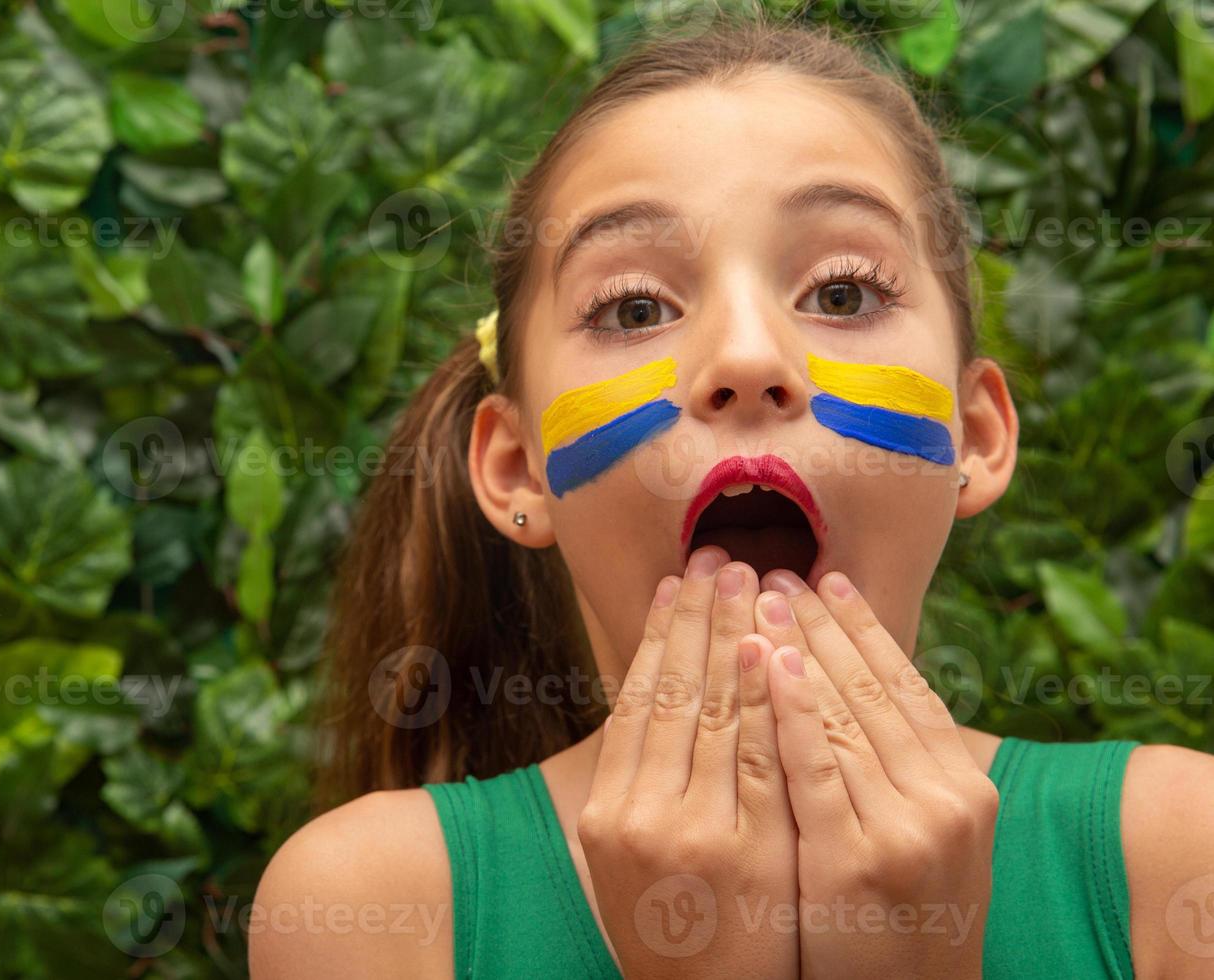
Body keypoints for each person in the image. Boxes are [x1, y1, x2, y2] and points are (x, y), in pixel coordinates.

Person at [251, 15, 1214, 979]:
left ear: (976, 435)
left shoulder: (1177, 860)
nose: (747, 358)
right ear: (518, 467)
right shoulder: (370, 910)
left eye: (842, 294)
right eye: (634, 308)